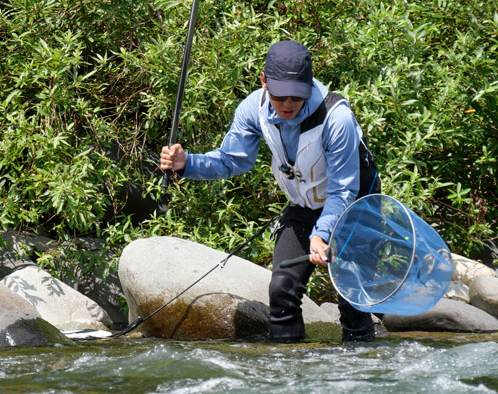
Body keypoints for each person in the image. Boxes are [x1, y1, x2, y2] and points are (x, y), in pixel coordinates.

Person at [160, 40, 380, 343]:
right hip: (304, 206)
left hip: (354, 207)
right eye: (279, 96)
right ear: (263, 81)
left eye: (297, 96)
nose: (288, 104)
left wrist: (322, 234)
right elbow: (231, 160)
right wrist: (187, 163)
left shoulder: (336, 118)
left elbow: (343, 190)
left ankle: (358, 368)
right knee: (281, 290)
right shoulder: (254, 108)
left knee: (351, 296)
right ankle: (285, 371)